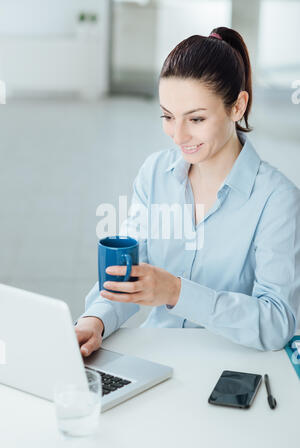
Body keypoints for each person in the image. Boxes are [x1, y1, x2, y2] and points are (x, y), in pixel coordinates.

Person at [75, 27, 300, 356]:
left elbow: (278, 322)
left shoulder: (276, 201)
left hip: (233, 367)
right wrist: (94, 320)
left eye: (195, 119)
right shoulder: (155, 174)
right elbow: (129, 273)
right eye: (167, 116)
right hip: (162, 356)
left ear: (237, 107)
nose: (178, 136)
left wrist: (177, 292)